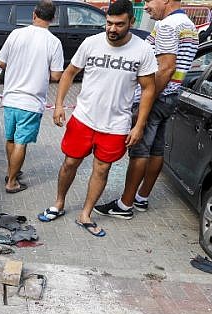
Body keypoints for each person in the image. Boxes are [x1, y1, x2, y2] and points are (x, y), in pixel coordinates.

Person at [38, 0, 157, 237]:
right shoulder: (91, 43)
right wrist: (59, 105)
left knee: (102, 170)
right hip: (83, 118)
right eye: (109, 23)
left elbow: (148, 89)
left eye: (119, 24)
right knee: (70, 163)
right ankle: (59, 204)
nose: (112, 29)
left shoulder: (142, 50)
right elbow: (70, 72)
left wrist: (139, 125)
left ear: (131, 22)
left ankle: (85, 214)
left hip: (116, 125)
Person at [94, 0, 198, 219]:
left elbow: (166, 67)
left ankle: (125, 205)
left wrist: (145, 103)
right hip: (171, 96)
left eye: (150, 1)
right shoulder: (187, 24)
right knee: (156, 150)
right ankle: (141, 198)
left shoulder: (167, 25)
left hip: (157, 97)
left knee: (140, 151)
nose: (147, 6)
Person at [0, 0, 63, 193]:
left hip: (10, 98)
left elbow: (0, 62)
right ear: (53, 19)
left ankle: (12, 172)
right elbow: (57, 75)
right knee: (21, 142)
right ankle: (11, 182)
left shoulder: (16, 34)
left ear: (34, 14)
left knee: (10, 138)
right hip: (31, 101)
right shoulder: (53, 42)